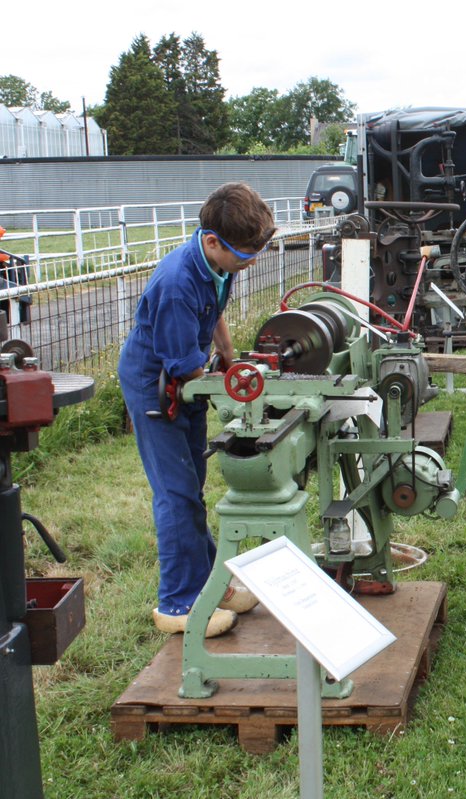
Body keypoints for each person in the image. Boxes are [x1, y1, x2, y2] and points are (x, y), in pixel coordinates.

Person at [118, 183, 275, 637]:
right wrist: (231, 388)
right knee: (176, 493)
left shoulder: (217, 265)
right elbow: (184, 368)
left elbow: (216, 311)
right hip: (156, 387)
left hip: (182, 380)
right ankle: (178, 603)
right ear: (212, 241)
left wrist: (229, 356)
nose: (250, 263)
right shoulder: (176, 284)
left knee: (193, 486)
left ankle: (210, 586)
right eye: (245, 256)